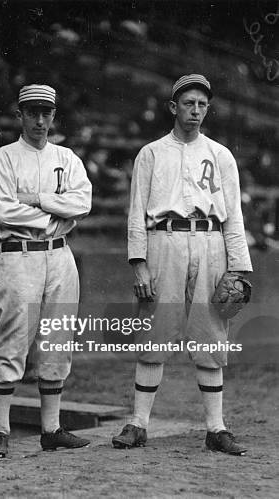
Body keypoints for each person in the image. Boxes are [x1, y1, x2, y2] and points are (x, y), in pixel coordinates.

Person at [112, 74, 253, 455]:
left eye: (202, 104)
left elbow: (235, 216)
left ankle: (216, 428)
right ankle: (138, 423)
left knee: (211, 333)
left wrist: (239, 267)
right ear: (173, 107)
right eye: (188, 103)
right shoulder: (152, 153)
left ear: (208, 108)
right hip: (164, 239)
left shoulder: (221, 155)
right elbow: (136, 212)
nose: (195, 110)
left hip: (211, 241)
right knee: (156, 329)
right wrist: (138, 262)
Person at [0, 84, 92, 458]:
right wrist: (55, 215)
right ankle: (0, 429)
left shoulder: (67, 157)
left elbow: (83, 202)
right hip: (18, 255)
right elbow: (6, 211)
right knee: (10, 340)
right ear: (21, 115)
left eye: (46, 113)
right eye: (33, 112)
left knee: (58, 341)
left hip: (60, 257)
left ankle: (52, 428)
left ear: (53, 115)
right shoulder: (5, 157)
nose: (41, 120)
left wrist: (39, 201)